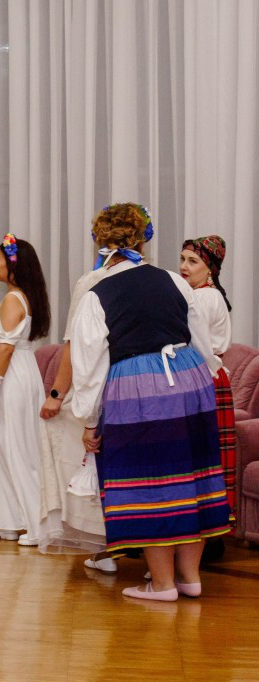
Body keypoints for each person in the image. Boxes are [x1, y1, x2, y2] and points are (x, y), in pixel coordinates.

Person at [70, 203, 232, 601]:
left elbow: (88, 365)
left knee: (151, 483)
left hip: (138, 387)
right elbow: (201, 340)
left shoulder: (96, 294)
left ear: (102, 242)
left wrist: (89, 420)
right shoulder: (175, 281)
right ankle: (190, 578)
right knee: (194, 475)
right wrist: (200, 380)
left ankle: (162, 585)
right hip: (190, 375)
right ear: (141, 238)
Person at [38, 231, 114, 567]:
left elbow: (73, 344)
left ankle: (100, 546)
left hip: (96, 387)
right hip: (133, 385)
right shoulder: (152, 279)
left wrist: (56, 395)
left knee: (84, 460)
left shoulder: (92, 282)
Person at [0, 234, 50, 545]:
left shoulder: (13, 299)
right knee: (3, 448)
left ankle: (36, 525)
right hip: (15, 375)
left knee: (19, 449)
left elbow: (6, 348)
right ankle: (7, 520)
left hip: (11, 379)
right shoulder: (18, 296)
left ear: (12, 265)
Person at [179, 235, 233, 561]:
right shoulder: (206, 296)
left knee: (198, 462)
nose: (184, 266)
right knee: (206, 461)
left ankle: (202, 541)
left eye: (193, 261)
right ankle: (209, 539)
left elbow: (193, 344)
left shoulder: (202, 299)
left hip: (202, 381)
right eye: (183, 259)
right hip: (211, 380)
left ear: (209, 268)